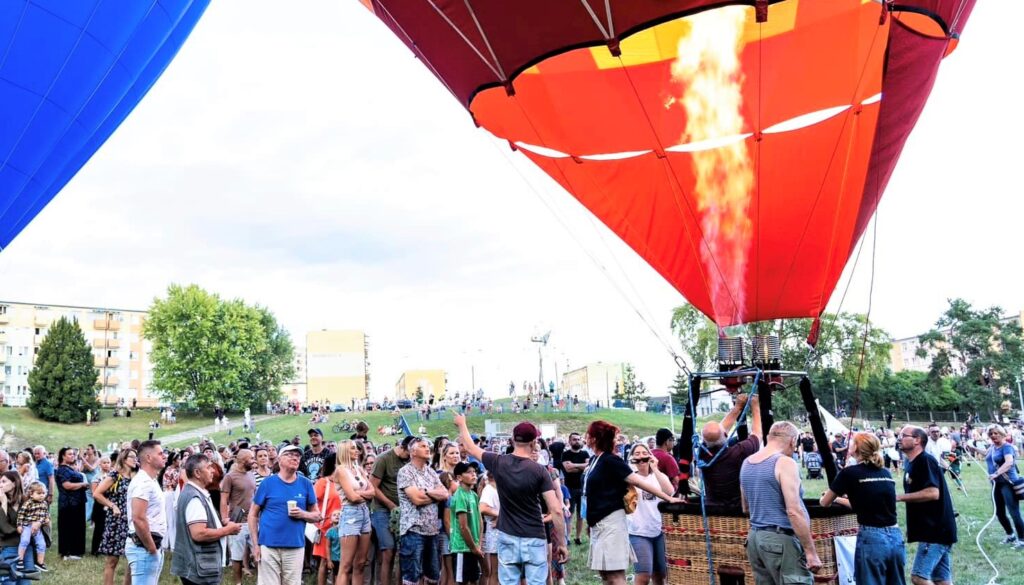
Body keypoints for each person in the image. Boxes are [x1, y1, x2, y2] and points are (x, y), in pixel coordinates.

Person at [455, 415, 567, 585]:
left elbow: (470, 447)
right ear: (534, 442)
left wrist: (462, 424)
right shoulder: (539, 471)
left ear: (513, 440)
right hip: (534, 536)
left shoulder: (498, 462)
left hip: (507, 536)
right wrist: (562, 543)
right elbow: (556, 510)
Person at [582, 420, 679, 585]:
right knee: (606, 575)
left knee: (615, 576)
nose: (586, 437)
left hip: (611, 524)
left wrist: (668, 498)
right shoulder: (595, 460)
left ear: (595, 438)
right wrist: (590, 523)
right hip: (599, 524)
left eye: (588, 434)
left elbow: (638, 482)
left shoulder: (610, 460)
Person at [740, 422, 822, 584]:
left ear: (769, 437)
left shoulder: (747, 463)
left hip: (755, 539)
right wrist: (810, 552)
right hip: (780, 540)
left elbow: (745, 508)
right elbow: (794, 511)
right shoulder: (785, 463)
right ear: (793, 441)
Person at [820, 432, 905, 585]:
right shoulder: (885, 472)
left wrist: (835, 497)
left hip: (871, 537)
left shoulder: (849, 473)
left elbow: (825, 502)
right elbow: (866, 503)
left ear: (857, 448)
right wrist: (844, 498)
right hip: (895, 536)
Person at [248, 443, 322, 585]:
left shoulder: (306, 484)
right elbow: (252, 514)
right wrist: (255, 545)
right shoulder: (267, 483)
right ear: (279, 460)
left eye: (297, 455)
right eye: (290, 455)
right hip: (268, 545)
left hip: (295, 546)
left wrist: (303, 514)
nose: (295, 458)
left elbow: (317, 516)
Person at [897, 425, 957, 585]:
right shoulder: (911, 463)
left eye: (903, 435)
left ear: (917, 440)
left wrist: (899, 497)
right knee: (941, 580)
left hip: (935, 530)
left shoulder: (925, 460)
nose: (899, 438)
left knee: (919, 577)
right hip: (935, 529)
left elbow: (933, 493)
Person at [172, 453, 243, 585]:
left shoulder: (194, 492)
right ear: (197, 473)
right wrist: (227, 530)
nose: (213, 471)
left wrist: (222, 525)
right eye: (208, 467)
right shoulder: (194, 497)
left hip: (198, 566)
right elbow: (199, 534)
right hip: (199, 568)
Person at [397, 436, 449, 585]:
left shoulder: (431, 472)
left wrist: (426, 491)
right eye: (423, 446)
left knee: (433, 577)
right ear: (413, 452)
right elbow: (417, 499)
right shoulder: (405, 472)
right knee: (412, 577)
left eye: (428, 446)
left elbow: (445, 494)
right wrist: (435, 496)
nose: (428, 449)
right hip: (413, 530)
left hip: (432, 530)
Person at [966, 424, 1024, 546]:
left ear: (1002, 434)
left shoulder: (1007, 447)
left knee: (1014, 512)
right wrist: (973, 448)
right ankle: (1010, 535)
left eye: (996, 433)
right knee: (999, 512)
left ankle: (1022, 539)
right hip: (996, 484)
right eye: (991, 434)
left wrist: (996, 473)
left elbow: (1009, 462)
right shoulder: (993, 447)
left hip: (1008, 483)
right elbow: (986, 453)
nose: (993, 435)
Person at [700, 394, 762, 507]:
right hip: (737, 509)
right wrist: (755, 406)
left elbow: (719, 431)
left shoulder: (703, 454)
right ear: (725, 435)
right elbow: (758, 433)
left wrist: (737, 407)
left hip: (712, 509)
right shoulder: (738, 452)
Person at [625, 444, 674, 585]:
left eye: (644, 453)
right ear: (632, 458)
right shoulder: (630, 478)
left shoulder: (658, 476)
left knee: (661, 574)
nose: (641, 456)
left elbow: (669, 492)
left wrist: (655, 468)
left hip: (659, 530)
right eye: (637, 454)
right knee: (643, 576)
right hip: (638, 532)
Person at [370, 436, 412, 585]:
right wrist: (390, 505)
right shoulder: (383, 459)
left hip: (404, 510)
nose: (410, 457)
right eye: (409, 453)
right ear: (403, 447)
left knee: (403, 552)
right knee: (388, 550)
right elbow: (372, 486)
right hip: (382, 509)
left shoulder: (410, 461)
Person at [126, 440, 169, 585]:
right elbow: (138, 518)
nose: (165, 456)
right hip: (144, 547)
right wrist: (151, 548)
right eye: (160, 453)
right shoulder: (143, 482)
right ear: (149, 458)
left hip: (150, 545)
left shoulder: (151, 480)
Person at [335, 440, 375, 585]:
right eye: (353, 448)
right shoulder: (341, 470)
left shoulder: (359, 468)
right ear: (345, 451)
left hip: (364, 512)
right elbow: (352, 498)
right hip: (350, 514)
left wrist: (358, 493)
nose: (357, 450)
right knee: (346, 565)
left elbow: (373, 492)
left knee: (361, 562)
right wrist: (362, 494)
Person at [94, 448, 136, 585]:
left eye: (136, 457)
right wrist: (112, 505)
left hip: (132, 521)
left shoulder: (136, 477)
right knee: (112, 560)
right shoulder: (115, 475)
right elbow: (97, 493)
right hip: (117, 521)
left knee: (133, 559)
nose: (135, 459)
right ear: (124, 459)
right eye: (132, 456)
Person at [220, 449, 257, 585]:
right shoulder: (230, 477)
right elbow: (224, 499)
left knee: (258, 553)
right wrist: (225, 519)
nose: (254, 461)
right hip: (237, 523)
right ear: (242, 460)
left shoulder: (251, 475)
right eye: (251, 458)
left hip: (252, 521)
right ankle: (238, 583)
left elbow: (254, 496)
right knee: (237, 557)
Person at [449, 462, 482, 585]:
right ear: (459, 477)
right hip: (462, 548)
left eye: (474, 472)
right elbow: (463, 527)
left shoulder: (474, 495)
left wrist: (478, 544)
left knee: (474, 579)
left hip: (474, 547)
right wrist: (474, 547)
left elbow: (479, 521)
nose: (474, 474)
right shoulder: (460, 496)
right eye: (469, 472)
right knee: (462, 581)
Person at [0, 471, 36, 584]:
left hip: (26, 548)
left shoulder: (26, 501)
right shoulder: (1, 502)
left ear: (14, 483)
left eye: (3, 481)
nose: (0, 485)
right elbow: (3, 527)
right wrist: (4, 502)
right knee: (9, 582)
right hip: (8, 547)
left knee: (25, 582)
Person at [54, 446, 89, 560]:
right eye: (69, 454)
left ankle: (75, 551)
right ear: (63, 456)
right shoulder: (62, 469)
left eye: (73, 454)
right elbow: (67, 485)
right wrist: (82, 484)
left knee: (76, 527)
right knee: (69, 527)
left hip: (77, 502)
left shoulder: (70, 468)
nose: (72, 456)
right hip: (69, 503)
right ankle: (68, 552)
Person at [312, 452, 342, 585]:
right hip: (326, 527)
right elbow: (311, 502)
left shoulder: (345, 481)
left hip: (344, 526)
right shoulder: (323, 482)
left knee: (341, 561)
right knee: (325, 560)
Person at [560, 432, 589, 545]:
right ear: (569, 441)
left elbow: (588, 467)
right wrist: (582, 466)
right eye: (574, 439)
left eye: (578, 439)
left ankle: (578, 537)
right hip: (570, 488)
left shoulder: (585, 453)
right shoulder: (565, 454)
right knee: (569, 514)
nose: (577, 441)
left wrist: (574, 465)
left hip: (582, 489)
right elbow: (568, 469)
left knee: (581, 515)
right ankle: (567, 538)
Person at [13, 482, 48, 573]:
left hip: (37, 527)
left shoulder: (44, 503)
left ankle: (40, 562)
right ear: (31, 494)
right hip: (27, 526)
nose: (42, 495)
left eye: (43, 493)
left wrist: (45, 519)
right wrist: (19, 525)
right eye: (39, 493)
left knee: (42, 544)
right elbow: (21, 514)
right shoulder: (28, 503)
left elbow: (45, 514)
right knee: (25, 541)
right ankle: (20, 560)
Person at [478, 472, 499, 585]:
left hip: (505, 532)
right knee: (495, 572)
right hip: (495, 533)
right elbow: (483, 508)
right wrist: (501, 515)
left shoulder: (500, 488)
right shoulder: (489, 489)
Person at [650, 429, 679, 495]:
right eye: (673, 440)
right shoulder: (668, 458)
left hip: (651, 492)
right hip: (667, 495)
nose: (673, 444)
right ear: (667, 441)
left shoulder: (649, 453)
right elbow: (676, 481)